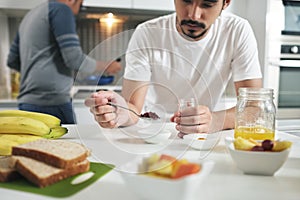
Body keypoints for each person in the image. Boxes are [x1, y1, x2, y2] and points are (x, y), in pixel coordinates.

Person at [84, 0, 262, 137]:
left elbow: (254, 108)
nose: (193, 15)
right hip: (151, 134)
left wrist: (215, 120)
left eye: (207, 4)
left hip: (200, 137)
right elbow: (133, 108)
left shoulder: (237, 31)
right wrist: (118, 112)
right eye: (186, 0)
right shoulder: (146, 33)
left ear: (226, 3)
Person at [7, 0, 122, 124]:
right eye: (80, 5)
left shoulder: (30, 15)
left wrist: (36, 72)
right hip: (52, 103)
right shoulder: (61, 10)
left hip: (27, 104)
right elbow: (73, 58)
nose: (78, 11)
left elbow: (12, 61)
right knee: (70, 143)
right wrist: (107, 66)